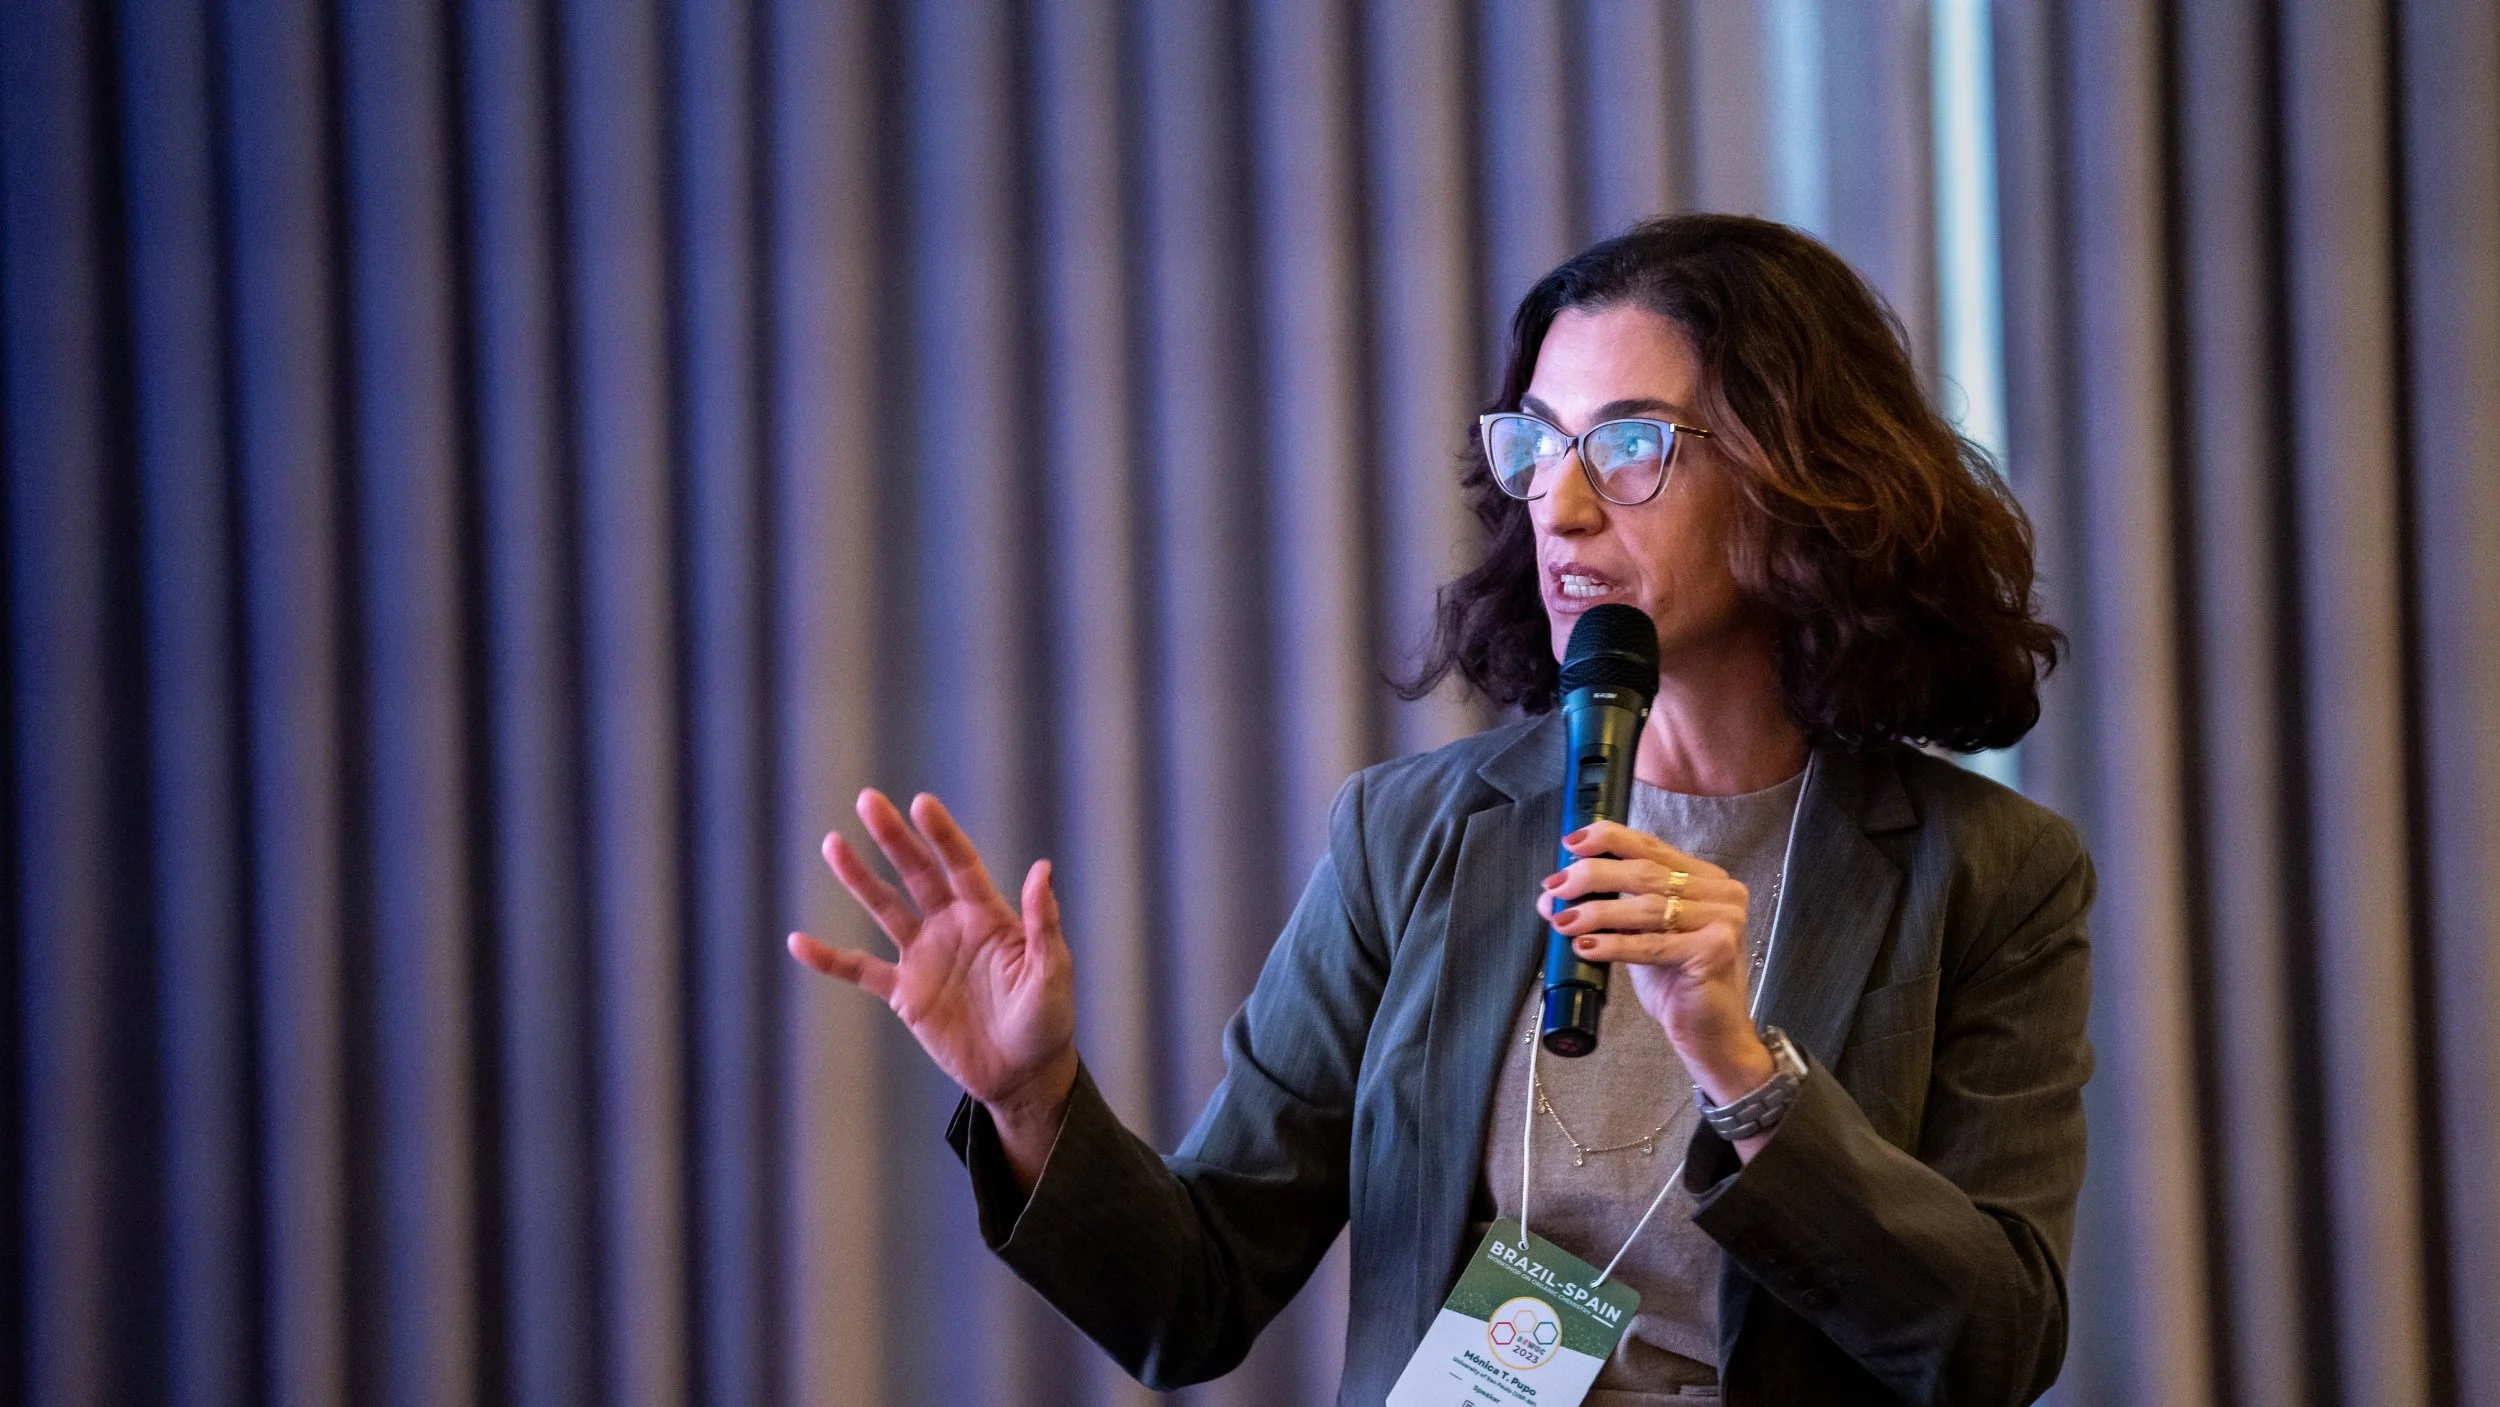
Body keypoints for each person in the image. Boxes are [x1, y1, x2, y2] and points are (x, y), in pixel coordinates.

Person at [789, 213, 2092, 1407]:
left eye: (1630, 444)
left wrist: (1744, 1074)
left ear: (1799, 472)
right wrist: (1032, 1100)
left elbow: (1991, 1345)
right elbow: (1190, 1297)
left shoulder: (1989, 872)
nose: (1560, 504)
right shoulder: (1411, 835)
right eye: (1535, 441)